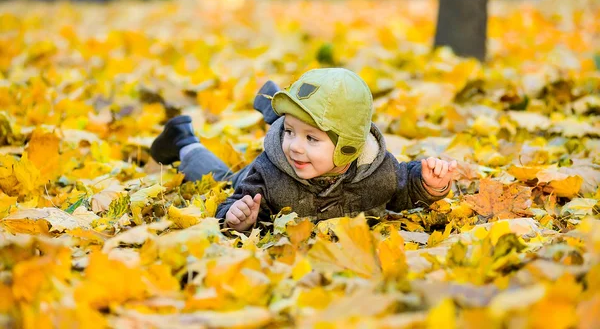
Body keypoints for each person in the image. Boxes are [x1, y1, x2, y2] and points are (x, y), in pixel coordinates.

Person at [150, 68, 456, 232]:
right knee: (223, 177)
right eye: (290, 132)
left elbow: (404, 186)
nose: (295, 147)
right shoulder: (268, 173)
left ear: (348, 147)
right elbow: (236, 202)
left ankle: (277, 112)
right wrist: (238, 217)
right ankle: (183, 139)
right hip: (268, 171)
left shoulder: (377, 172)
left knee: (299, 127)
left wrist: (430, 184)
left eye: (312, 138)